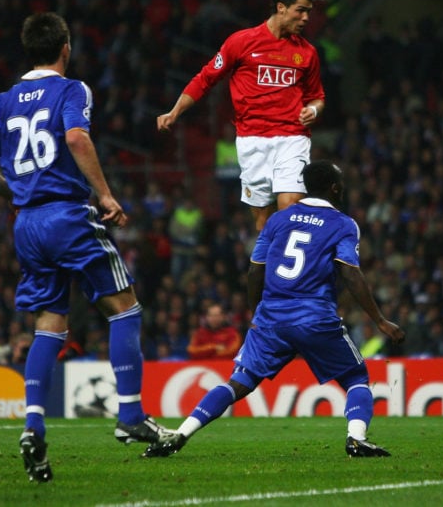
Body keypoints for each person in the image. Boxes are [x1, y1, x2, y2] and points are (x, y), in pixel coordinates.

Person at [0, 12, 171, 483]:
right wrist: (105, 194)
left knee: (49, 326)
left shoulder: (4, 101)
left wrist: (14, 192)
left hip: (28, 224)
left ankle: (33, 423)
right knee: (125, 309)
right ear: (66, 48)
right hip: (66, 214)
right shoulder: (72, 90)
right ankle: (131, 416)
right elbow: (76, 137)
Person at [142, 161, 405, 459]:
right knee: (356, 378)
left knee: (239, 382)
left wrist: (257, 315)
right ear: (334, 187)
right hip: (314, 315)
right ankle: (356, 438)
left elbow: (255, 272)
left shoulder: (278, 220)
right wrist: (380, 320)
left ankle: (180, 434)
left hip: (271, 317)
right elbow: (351, 274)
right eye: (341, 182)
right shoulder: (343, 224)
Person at [157, 0, 326, 232]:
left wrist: (313, 110)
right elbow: (205, 79)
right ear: (281, 7)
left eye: (309, 13)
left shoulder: (308, 53)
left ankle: (285, 271)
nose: (305, 18)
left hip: (292, 138)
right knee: (263, 222)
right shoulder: (241, 42)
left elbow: (317, 97)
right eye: (300, 10)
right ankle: (266, 268)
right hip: (252, 141)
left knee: (290, 208)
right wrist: (174, 112)